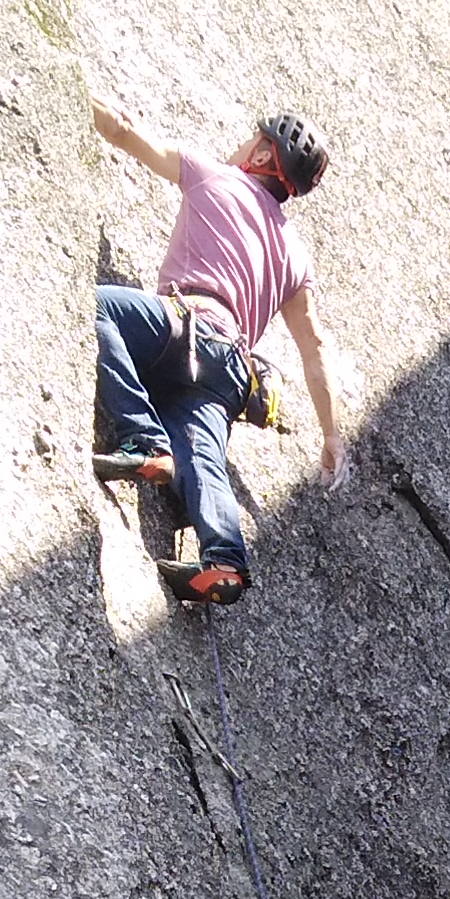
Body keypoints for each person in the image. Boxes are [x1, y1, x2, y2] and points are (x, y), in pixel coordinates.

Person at [90, 100, 346, 600]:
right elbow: (314, 347)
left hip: (182, 324)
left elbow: (124, 131)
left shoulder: (215, 176)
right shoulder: (295, 255)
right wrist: (333, 434)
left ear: (261, 154)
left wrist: (74, 94)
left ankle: (143, 440)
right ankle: (224, 560)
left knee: (98, 307)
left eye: (252, 138)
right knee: (202, 456)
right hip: (228, 370)